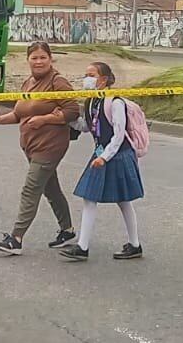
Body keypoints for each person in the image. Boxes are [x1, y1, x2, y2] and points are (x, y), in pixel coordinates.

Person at [0, 41, 80, 255]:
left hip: (50, 146)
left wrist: (45, 119)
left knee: (31, 188)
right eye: (34, 58)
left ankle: (16, 238)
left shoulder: (58, 82)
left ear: (50, 59)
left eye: (43, 57)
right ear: (28, 60)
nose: (39, 62)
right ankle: (67, 230)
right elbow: (20, 114)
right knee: (50, 188)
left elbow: (73, 110)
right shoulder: (28, 83)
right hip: (31, 145)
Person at [60, 62, 144, 262]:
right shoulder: (91, 101)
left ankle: (133, 244)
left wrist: (104, 157)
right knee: (90, 197)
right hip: (102, 154)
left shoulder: (114, 102)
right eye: (85, 74)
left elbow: (119, 134)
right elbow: (88, 126)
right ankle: (84, 246)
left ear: (104, 79)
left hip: (116, 154)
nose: (86, 78)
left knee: (122, 200)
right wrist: (66, 118)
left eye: (91, 74)